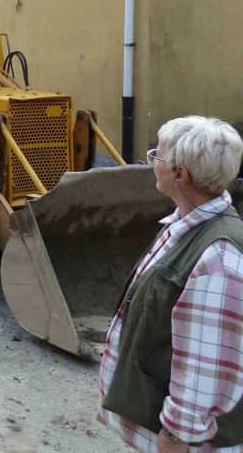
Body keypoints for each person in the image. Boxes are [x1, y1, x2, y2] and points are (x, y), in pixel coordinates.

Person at [99, 116, 243, 452]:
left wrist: (177, 437)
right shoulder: (183, 224)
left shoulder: (217, 262)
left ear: (180, 174)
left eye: (156, 156)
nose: (151, 161)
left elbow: (205, 367)